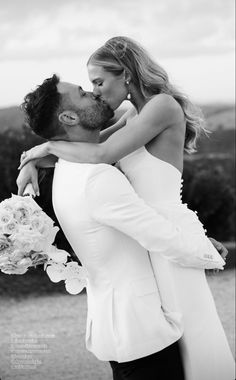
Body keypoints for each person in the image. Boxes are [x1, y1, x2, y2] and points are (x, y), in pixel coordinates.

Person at [17, 36, 235, 380]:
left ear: (127, 75)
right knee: (180, 346)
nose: (97, 91)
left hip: (166, 234)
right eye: (90, 86)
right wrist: (36, 158)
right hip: (152, 234)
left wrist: (43, 150)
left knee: (196, 344)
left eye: (99, 82)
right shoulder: (134, 113)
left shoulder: (161, 105)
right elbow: (88, 146)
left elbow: (100, 155)